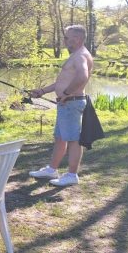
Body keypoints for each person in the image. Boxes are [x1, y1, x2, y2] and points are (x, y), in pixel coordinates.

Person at [28, 25, 94, 187]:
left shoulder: (80, 56)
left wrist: (67, 94)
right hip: (67, 105)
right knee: (60, 138)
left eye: (67, 37)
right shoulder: (76, 55)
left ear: (77, 39)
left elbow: (83, 76)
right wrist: (42, 91)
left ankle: (72, 175)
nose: (65, 40)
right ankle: (52, 170)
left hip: (71, 104)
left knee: (73, 140)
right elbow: (61, 82)